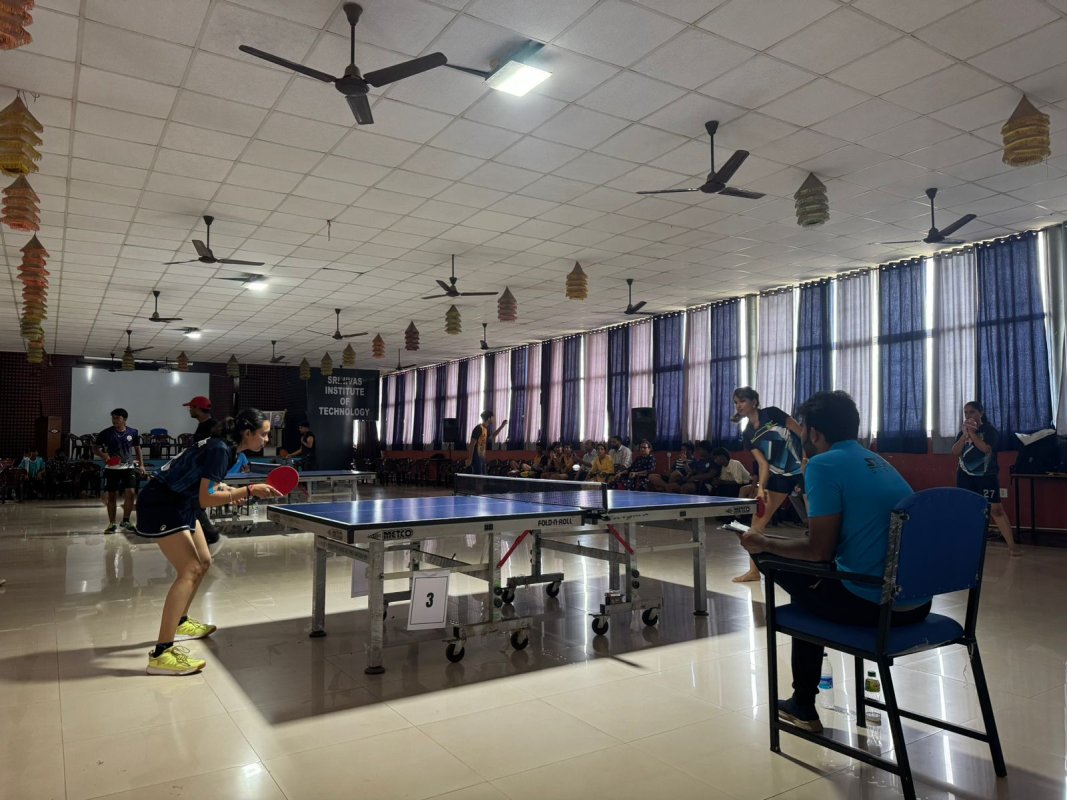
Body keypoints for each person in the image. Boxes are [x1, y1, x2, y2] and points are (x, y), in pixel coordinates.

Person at [740, 390, 927, 734]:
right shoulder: (881, 462)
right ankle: (803, 702)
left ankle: (803, 703)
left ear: (813, 433)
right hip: (916, 604)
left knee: (777, 562)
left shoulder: (824, 464)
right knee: (811, 583)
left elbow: (819, 551)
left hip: (874, 605)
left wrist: (763, 542)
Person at [136, 408, 282, 675]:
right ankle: (161, 654)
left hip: (181, 502)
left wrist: (228, 490)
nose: (266, 440)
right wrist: (248, 490)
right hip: (162, 503)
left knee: (204, 561)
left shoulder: (229, 450)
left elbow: (208, 485)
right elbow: (206, 499)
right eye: (263, 435)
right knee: (189, 569)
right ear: (247, 433)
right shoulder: (221, 449)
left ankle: (180, 622)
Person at [732, 387, 805, 583]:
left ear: (754, 402)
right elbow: (763, 464)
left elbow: (800, 432)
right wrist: (761, 488)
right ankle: (754, 571)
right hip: (779, 475)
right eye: (736, 402)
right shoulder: (747, 434)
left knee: (815, 521)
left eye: (742, 401)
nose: (738, 405)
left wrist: (809, 461)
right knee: (756, 524)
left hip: (803, 469)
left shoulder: (772, 413)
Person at [952, 400, 1021, 556]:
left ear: (980, 413)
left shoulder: (989, 431)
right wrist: (964, 436)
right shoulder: (962, 432)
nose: (968, 415)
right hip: (965, 476)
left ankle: (1012, 547)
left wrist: (973, 434)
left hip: (986, 476)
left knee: (995, 510)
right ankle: (967, 543)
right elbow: (955, 451)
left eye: (972, 412)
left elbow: (986, 449)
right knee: (967, 509)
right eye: (966, 413)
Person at [93, 408, 145, 533]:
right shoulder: (106, 433)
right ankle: (111, 524)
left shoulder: (133, 432)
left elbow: (137, 449)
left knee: (131, 493)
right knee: (112, 496)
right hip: (112, 468)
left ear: (124, 419)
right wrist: (104, 455)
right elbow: (95, 448)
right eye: (113, 418)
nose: (114, 420)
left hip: (128, 467)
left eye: (117, 418)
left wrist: (141, 465)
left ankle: (126, 520)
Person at [183, 396, 220, 546]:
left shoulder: (214, 427)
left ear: (198, 408)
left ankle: (211, 535)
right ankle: (204, 536)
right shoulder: (202, 425)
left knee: (195, 504)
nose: (189, 410)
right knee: (195, 505)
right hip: (198, 473)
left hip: (206, 474)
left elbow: (218, 452)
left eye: (191, 407)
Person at [466, 410, 507, 475]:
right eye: (493, 417)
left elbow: (492, 436)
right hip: (476, 457)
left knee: (484, 477)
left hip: (482, 457)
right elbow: (472, 444)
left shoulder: (485, 429)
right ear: (489, 418)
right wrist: (470, 459)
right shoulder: (478, 428)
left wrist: (502, 426)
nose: (494, 419)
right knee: (478, 478)